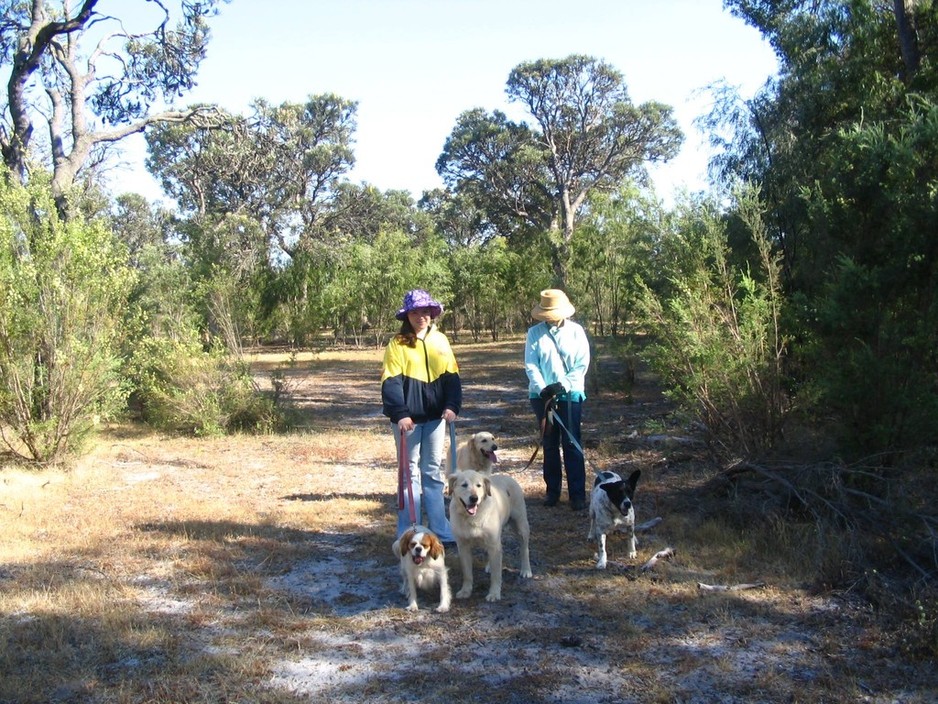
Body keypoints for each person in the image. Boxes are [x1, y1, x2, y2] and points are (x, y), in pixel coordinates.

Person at [382, 289, 462, 543]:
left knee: (432, 472)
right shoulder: (397, 344)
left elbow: (452, 377)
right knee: (409, 473)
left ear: (432, 314)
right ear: (408, 315)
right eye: (415, 312)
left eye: (425, 312)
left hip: (436, 419)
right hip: (409, 423)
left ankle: (440, 529)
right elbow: (391, 382)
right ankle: (409, 530)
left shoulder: (441, 341)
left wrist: (452, 406)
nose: (421, 317)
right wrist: (401, 414)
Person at [524, 289, 591, 510]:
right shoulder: (534, 333)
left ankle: (577, 495)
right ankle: (552, 492)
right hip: (542, 397)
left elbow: (581, 363)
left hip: (570, 394)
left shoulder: (576, 331)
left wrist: (563, 385)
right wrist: (544, 389)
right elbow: (531, 364)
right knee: (550, 445)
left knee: (572, 443)